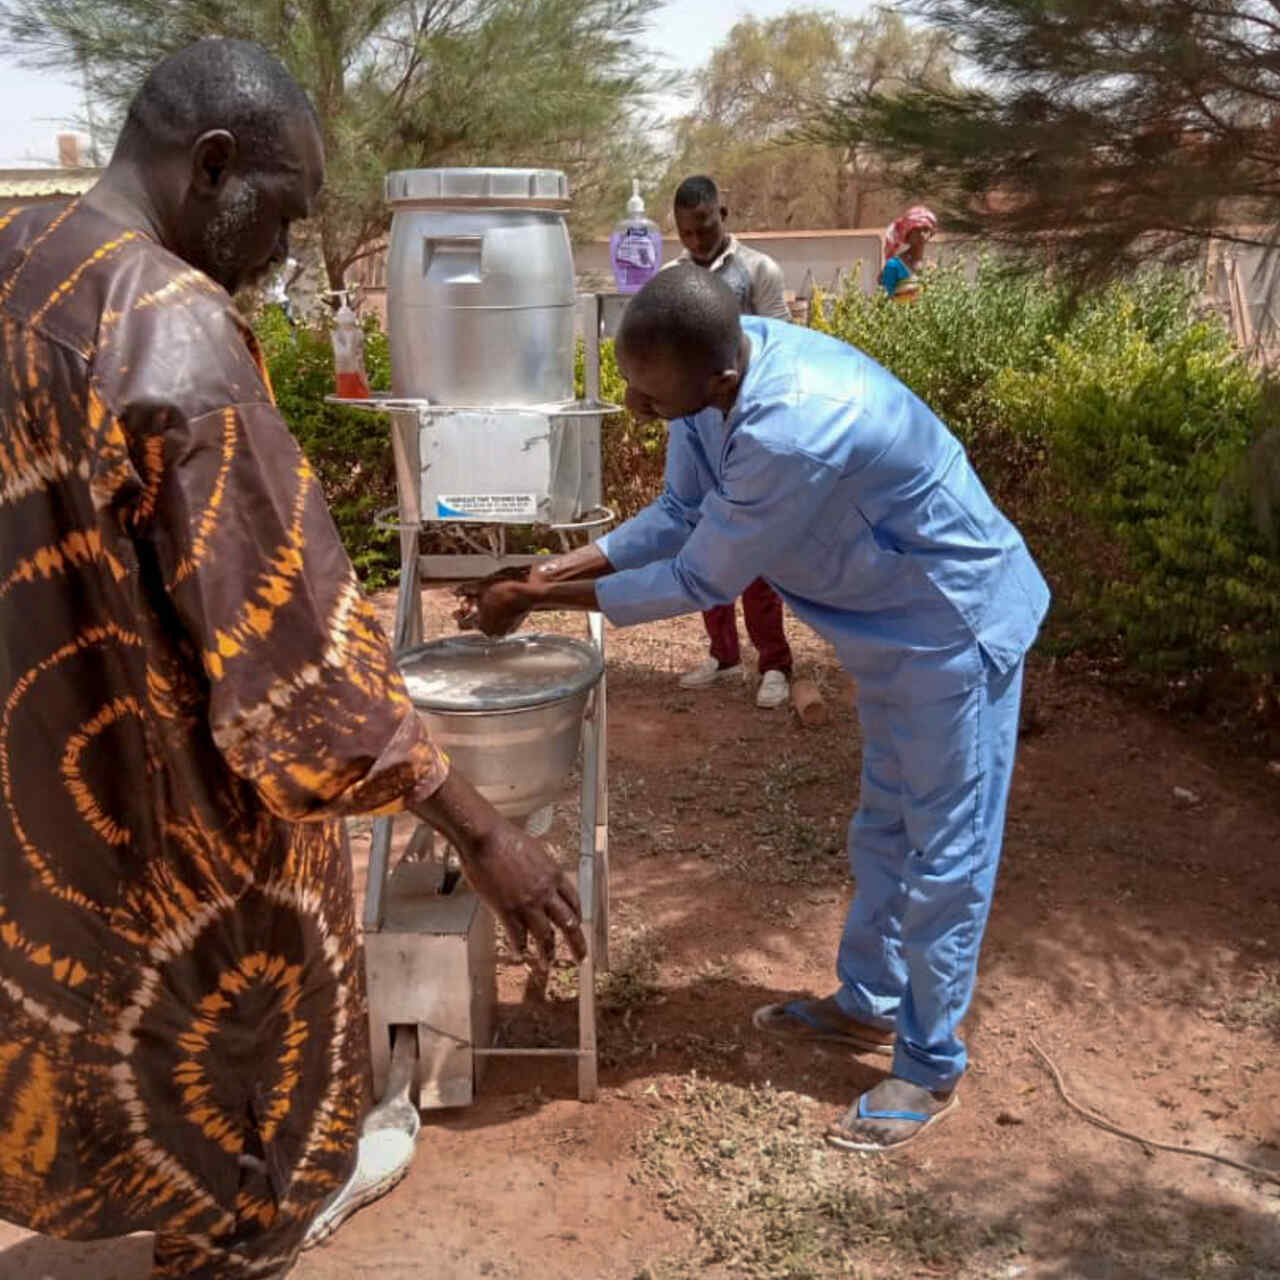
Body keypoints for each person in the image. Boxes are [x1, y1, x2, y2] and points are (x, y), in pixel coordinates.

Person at [0, 39, 583, 1280]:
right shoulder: (177, 334)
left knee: (71, 1022)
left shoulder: (19, 260)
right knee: (231, 1079)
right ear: (210, 166)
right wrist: (480, 829)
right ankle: (243, 1233)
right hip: (179, 835)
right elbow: (297, 671)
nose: (282, 250)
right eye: (281, 211)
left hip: (38, 795)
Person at [457, 265, 1050, 1154]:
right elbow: (676, 513)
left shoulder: (793, 428)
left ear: (718, 378)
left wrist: (536, 602)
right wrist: (542, 574)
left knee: (945, 851)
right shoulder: (712, 387)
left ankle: (930, 1066)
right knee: (885, 825)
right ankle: (870, 1003)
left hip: (949, 630)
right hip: (885, 631)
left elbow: (703, 574)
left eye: (651, 394)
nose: (638, 408)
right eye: (632, 383)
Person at [669, 174, 793, 709]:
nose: (696, 241)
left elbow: (784, 346)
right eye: (686, 232)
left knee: (751, 540)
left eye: (704, 227)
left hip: (747, 425)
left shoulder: (758, 270)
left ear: (725, 212)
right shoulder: (670, 278)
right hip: (691, 426)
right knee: (700, 535)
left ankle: (775, 664)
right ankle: (722, 655)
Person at [880, 205, 937, 302]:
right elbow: (885, 299)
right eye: (917, 230)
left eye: (926, 230)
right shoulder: (894, 265)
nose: (922, 235)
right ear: (908, 233)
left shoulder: (931, 267)